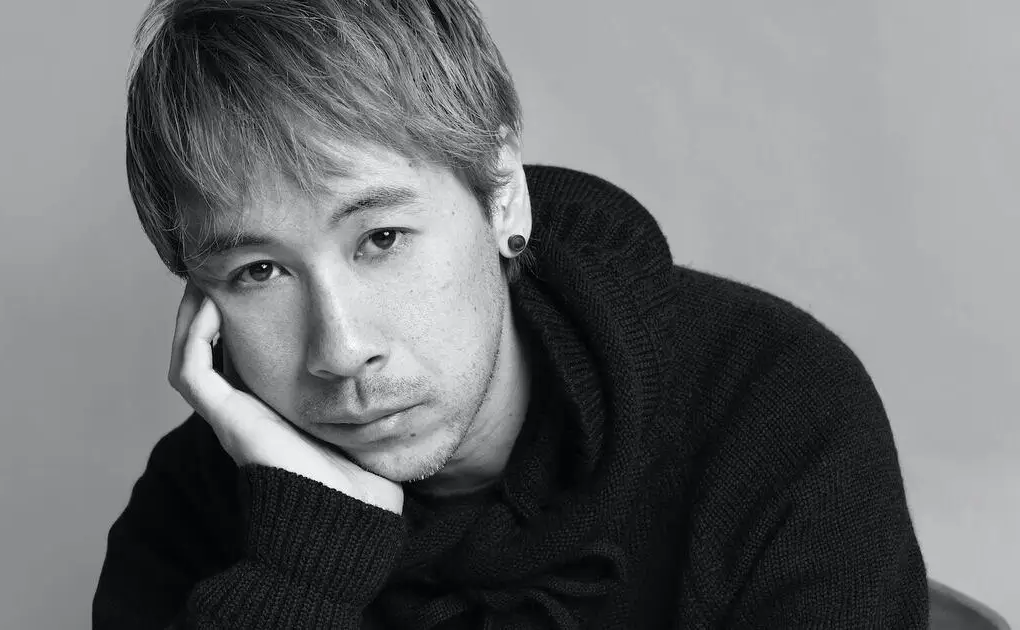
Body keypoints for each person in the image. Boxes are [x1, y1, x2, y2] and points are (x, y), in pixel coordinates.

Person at [93, 0, 930, 627]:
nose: (341, 350)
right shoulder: (195, 504)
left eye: (381, 237)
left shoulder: (771, 408)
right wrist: (301, 564)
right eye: (259, 271)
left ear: (501, 195)